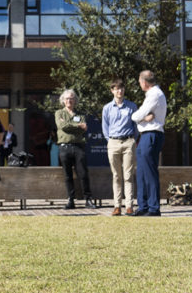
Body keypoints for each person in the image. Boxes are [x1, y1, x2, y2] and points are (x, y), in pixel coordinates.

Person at [131, 70, 166, 217]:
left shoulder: (154, 94)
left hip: (151, 134)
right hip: (145, 135)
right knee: (141, 172)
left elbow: (136, 115)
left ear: (144, 82)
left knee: (150, 172)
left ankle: (153, 207)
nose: (140, 84)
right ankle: (143, 206)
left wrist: (140, 117)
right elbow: (142, 116)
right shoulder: (152, 95)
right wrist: (143, 118)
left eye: (140, 82)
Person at [101, 78, 138, 216]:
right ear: (112, 90)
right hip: (113, 142)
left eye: (121, 88)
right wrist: (110, 140)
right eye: (116, 88)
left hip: (128, 142)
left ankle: (129, 206)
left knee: (128, 176)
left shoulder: (132, 106)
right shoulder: (107, 108)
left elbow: (136, 126)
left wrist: (133, 139)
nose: (120, 91)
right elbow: (105, 127)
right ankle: (117, 206)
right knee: (116, 175)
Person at [54, 89, 94, 209]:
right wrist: (77, 126)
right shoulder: (59, 113)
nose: (69, 100)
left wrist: (70, 125)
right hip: (64, 147)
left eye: (71, 98)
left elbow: (84, 128)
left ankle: (88, 199)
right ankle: (71, 200)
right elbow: (62, 126)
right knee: (67, 175)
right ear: (63, 100)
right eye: (67, 98)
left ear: (75, 100)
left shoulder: (80, 115)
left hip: (78, 147)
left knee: (83, 173)